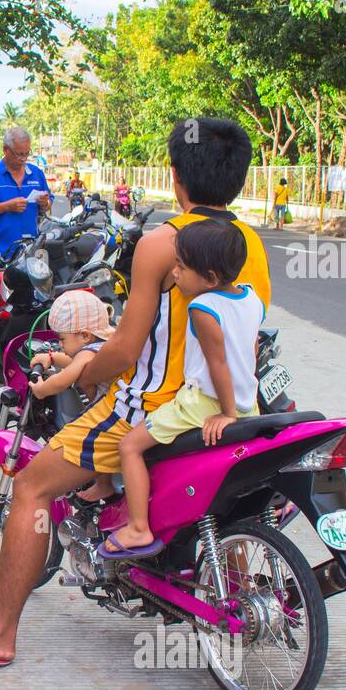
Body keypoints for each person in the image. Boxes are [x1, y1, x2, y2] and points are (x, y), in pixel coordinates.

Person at [0, 117, 270, 668]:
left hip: (153, 405)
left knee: (34, 487)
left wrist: (77, 371)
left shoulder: (163, 242)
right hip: (224, 407)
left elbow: (125, 351)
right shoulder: (249, 242)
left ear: (177, 177)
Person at [102, 219, 262, 559]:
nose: (174, 273)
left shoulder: (202, 309)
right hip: (250, 404)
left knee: (129, 446)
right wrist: (240, 406)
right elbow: (252, 351)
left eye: (182, 267)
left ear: (211, 278)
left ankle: (138, 527)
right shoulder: (251, 299)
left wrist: (226, 413)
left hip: (204, 403)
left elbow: (217, 363)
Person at [0, 127, 51, 256]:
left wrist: (44, 203)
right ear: (6, 149)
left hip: (29, 249)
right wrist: (6, 206)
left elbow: (47, 206)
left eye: (26, 153)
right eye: (19, 154)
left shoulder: (37, 174)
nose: (23, 159)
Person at [28, 289, 113, 406]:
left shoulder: (87, 353)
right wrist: (52, 358)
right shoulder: (102, 346)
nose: (60, 344)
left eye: (62, 339)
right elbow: (74, 364)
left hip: (111, 412)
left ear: (85, 336)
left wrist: (41, 390)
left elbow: (61, 381)